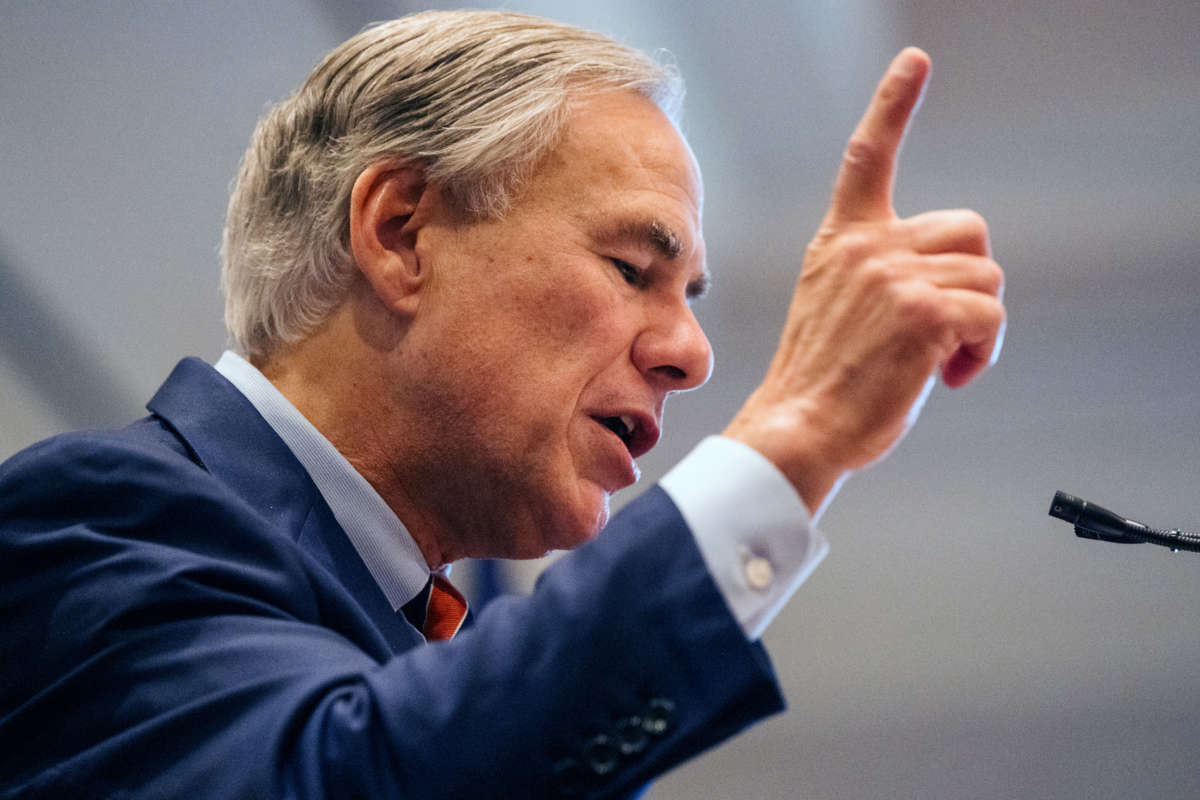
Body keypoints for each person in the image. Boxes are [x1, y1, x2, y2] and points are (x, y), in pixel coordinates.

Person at [0, 10, 1005, 799]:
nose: (692, 354)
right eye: (630, 266)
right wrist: (796, 434)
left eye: (689, 295)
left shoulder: (450, 641)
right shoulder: (96, 518)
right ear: (399, 233)